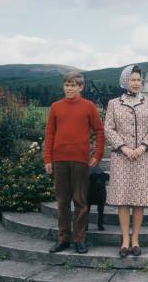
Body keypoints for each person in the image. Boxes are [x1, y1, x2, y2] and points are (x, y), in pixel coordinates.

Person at [43, 71, 104, 254]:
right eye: (66, 85)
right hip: (59, 160)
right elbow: (49, 134)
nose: (69, 88)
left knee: (80, 201)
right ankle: (63, 239)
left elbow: (99, 132)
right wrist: (47, 159)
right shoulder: (55, 107)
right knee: (62, 201)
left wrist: (97, 155)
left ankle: (79, 239)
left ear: (81, 87)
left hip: (81, 161)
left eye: (73, 85)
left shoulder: (88, 107)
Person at [104, 65, 148, 257]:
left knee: (139, 200)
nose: (137, 83)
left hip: (142, 157)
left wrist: (143, 147)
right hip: (121, 157)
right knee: (122, 200)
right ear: (124, 81)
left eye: (139, 80)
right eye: (133, 80)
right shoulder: (113, 103)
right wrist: (125, 148)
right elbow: (109, 129)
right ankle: (125, 240)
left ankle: (135, 238)